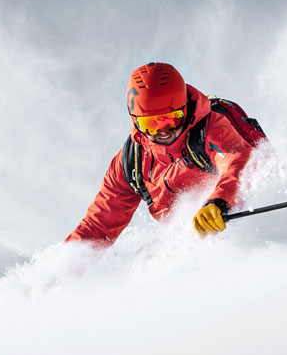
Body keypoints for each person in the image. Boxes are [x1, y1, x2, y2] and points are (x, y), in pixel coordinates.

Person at [66, 62, 265, 245]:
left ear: (185, 110)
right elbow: (98, 226)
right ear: (135, 121)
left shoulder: (208, 128)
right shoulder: (131, 162)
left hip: (234, 217)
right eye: (150, 124)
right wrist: (59, 269)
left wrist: (218, 201)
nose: (162, 132)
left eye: (171, 120)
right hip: (191, 243)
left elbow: (237, 158)